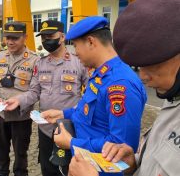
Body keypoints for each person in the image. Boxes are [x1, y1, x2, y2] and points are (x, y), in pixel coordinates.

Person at [42, 16, 147, 176]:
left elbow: (120, 147)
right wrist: (63, 113)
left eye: (76, 46)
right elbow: (87, 110)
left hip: (102, 170)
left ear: (91, 42)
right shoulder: (100, 74)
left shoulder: (120, 84)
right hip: (85, 164)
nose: (75, 53)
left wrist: (71, 143)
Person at [5, 20, 88, 176]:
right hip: (45, 129)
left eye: (50, 36)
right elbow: (34, 91)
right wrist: (19, 100)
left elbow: (91, 94)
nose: (46, 41)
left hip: (70, 129)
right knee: (48, 169)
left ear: (62, 37)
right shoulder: (41, 63)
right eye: (43, 37)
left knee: (70, 169)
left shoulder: (79, 62)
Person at [0, 22, 39, 176]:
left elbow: (36, 90)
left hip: (21, 117)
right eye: (7, 38)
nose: (10, 42)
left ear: (25, 37)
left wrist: (19, 100)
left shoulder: (35, 60)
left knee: (21, 155)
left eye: (15, 38)